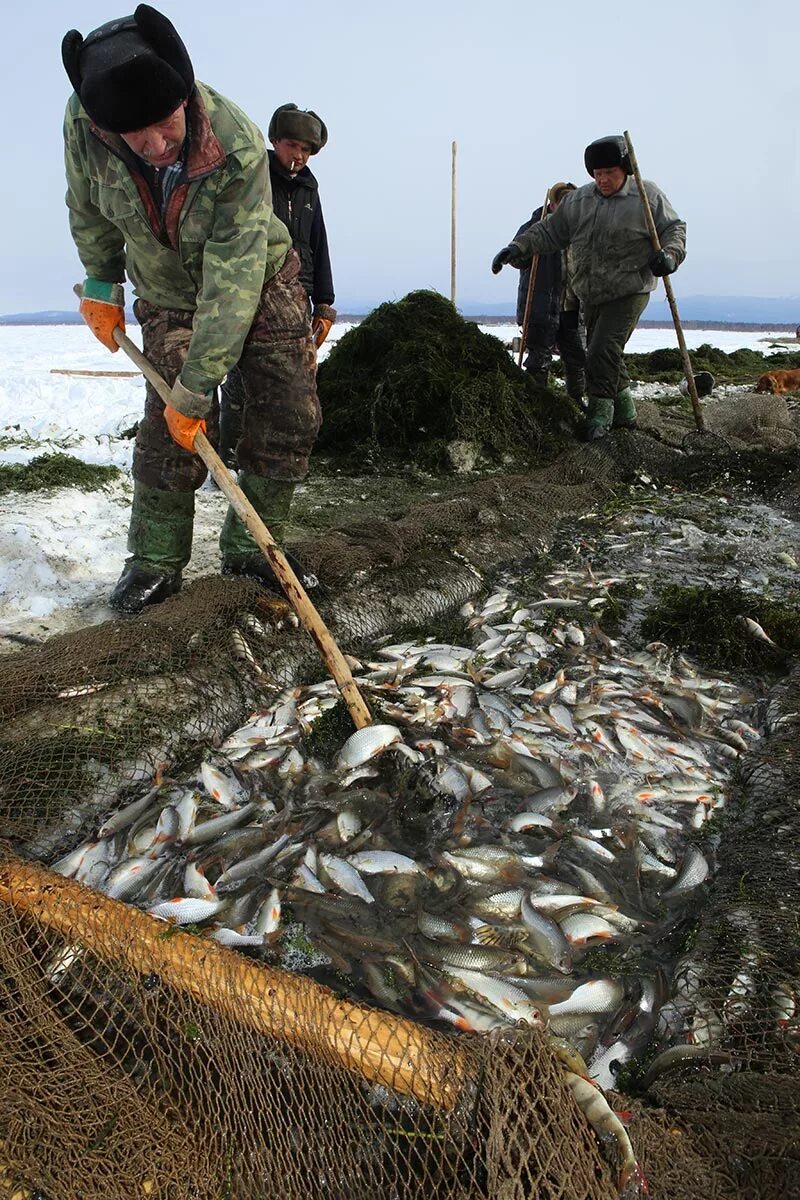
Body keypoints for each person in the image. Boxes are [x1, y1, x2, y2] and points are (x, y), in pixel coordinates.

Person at [62, 4, 320, 613]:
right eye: (135, 134)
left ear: (184, 99)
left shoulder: (235, 142)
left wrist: (201, 385)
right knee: (167, 423)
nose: (153, 147)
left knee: (288, 410)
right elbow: (87, 204)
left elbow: (231, 281)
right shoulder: (86, 119)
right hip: (166, 291)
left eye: (164, 126)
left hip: (258, 280)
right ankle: (153, 556)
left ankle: (255, 547)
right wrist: (101, 283)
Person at [492, 136, 686, 439]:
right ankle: (626, 414)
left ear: (625, 169)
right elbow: (549, 231)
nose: (603, 180)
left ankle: (599, 418)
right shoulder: (579, 201)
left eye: (610, 173)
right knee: (607, 353)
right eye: (597, 174)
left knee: (600, 350)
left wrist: (670, 256)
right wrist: (517, 249)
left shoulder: (646, 197)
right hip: (591, 293)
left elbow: (674, 229)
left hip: (629, 288)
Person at [219, 103, 335, 468]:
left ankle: (272, 458)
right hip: (254, 293)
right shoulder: (255, 177)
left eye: (306, 149)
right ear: (274, 141)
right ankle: (229, 457)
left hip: (298, 298)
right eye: (291, 145)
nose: (298, 155)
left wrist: (325, 302)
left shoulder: (309, 191)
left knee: (289, 381)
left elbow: (319, 244)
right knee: (241, 378)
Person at [514, 181, 586, 404]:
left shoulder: (581, 229)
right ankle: (537, 404)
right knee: (538, 358)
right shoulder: (535, 226)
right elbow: (517, 259)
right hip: (540, 308)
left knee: (577, 359)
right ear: (553, 204)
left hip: (572, 308)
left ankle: (575, 402)